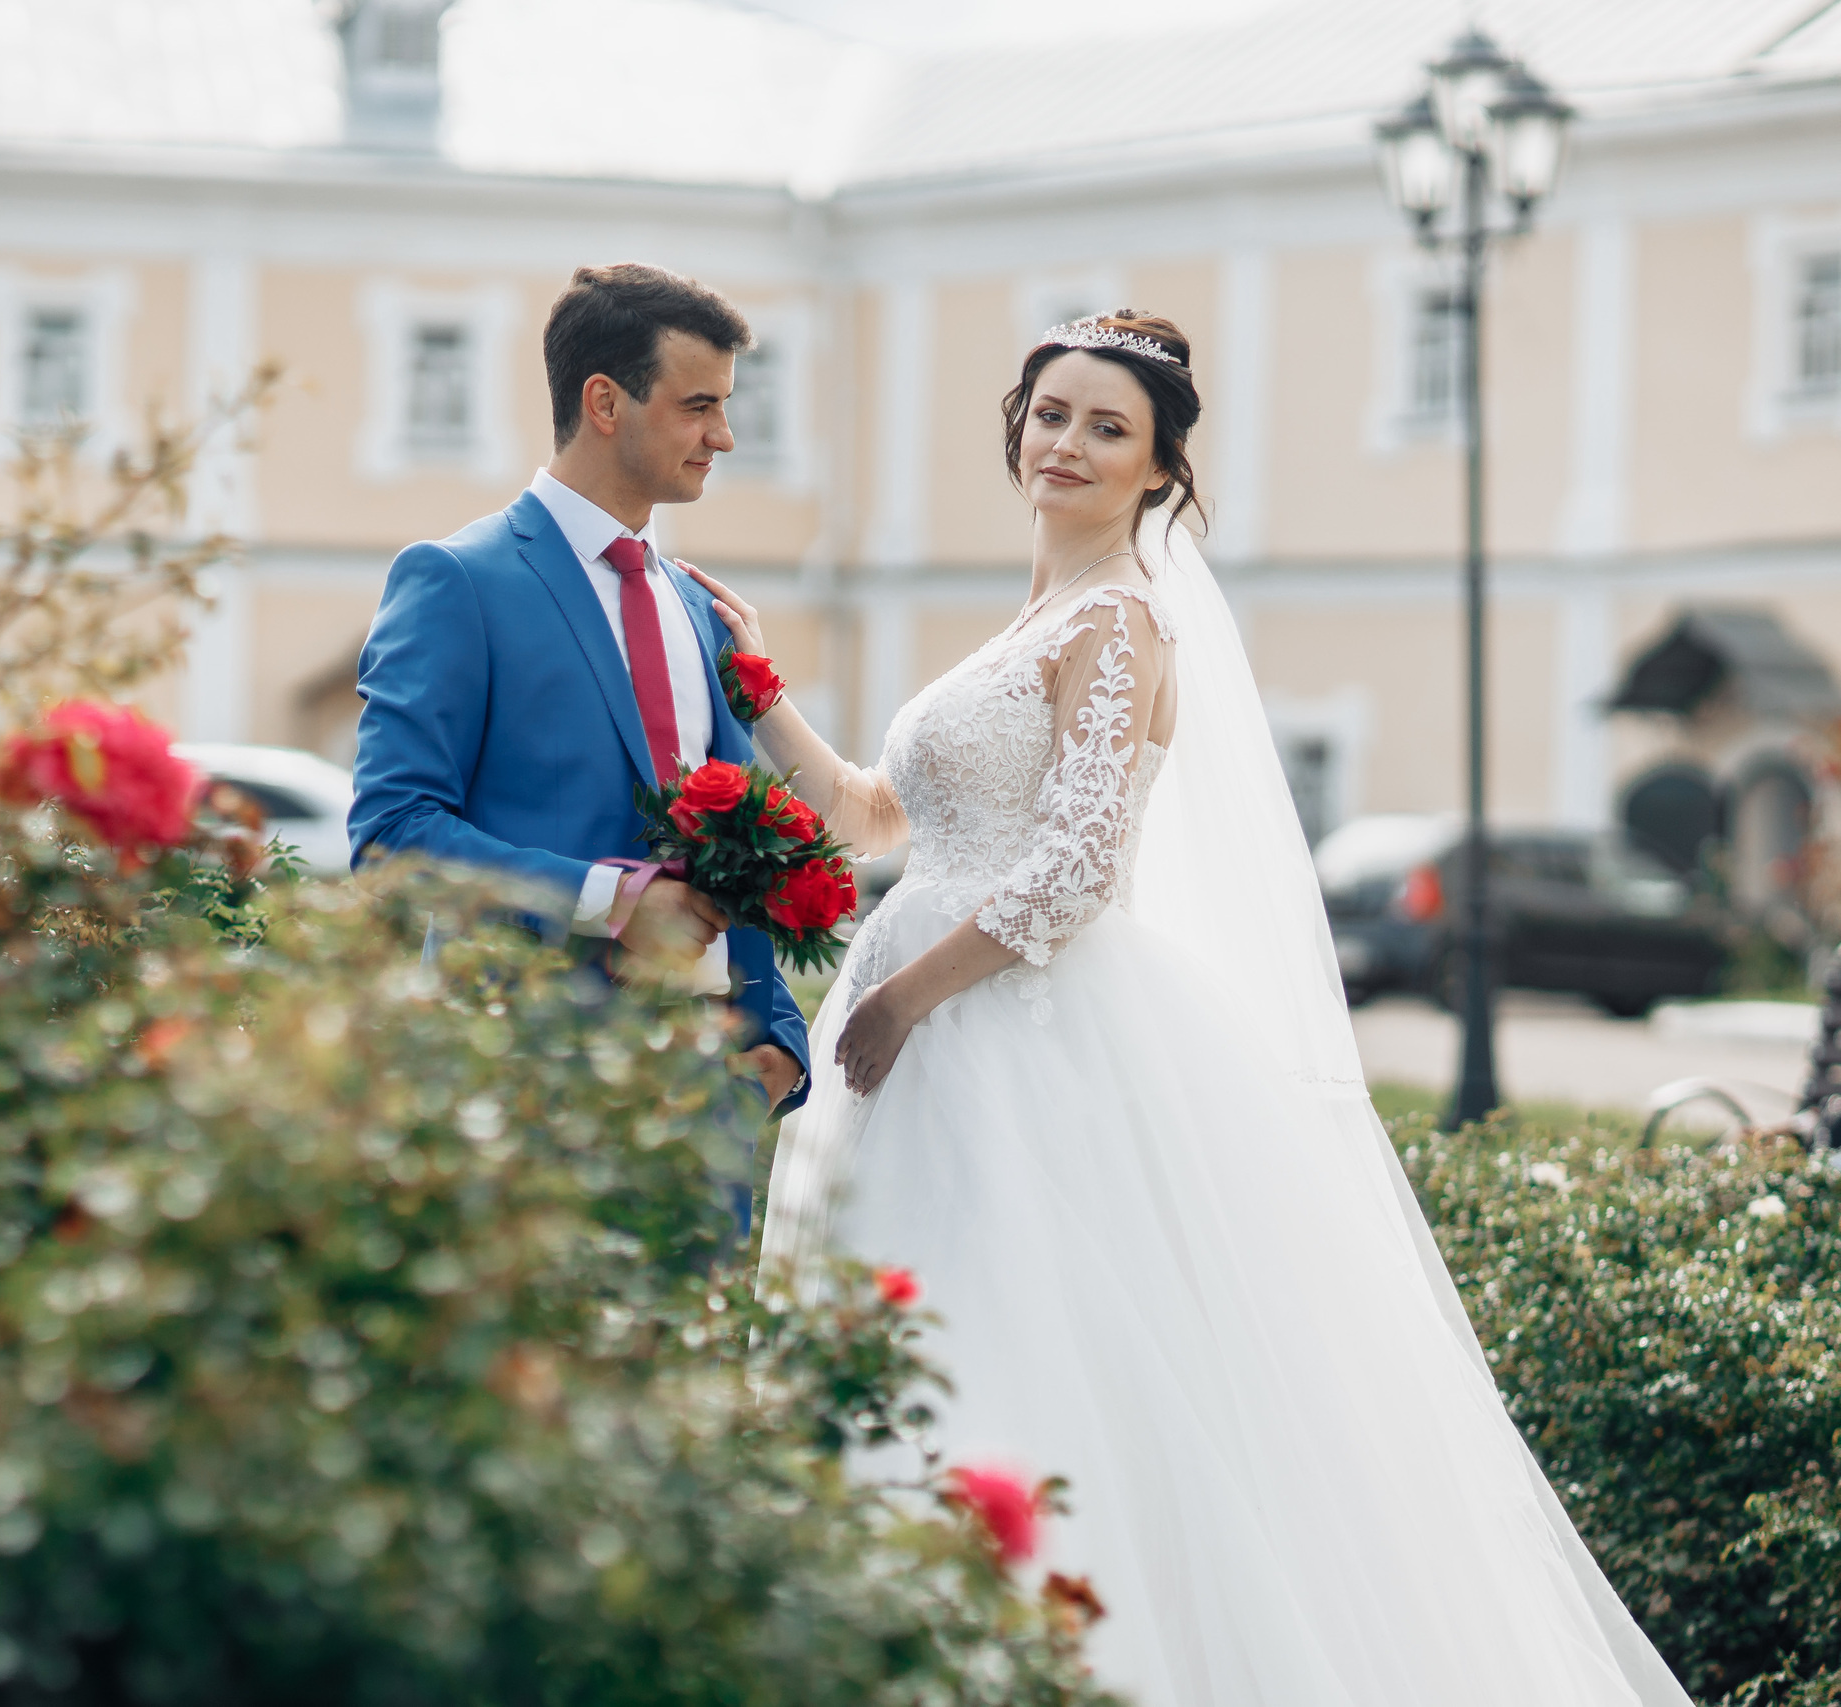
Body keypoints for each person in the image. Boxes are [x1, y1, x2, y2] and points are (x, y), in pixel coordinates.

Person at [722, 313, 1694, 1705]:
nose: (1067, 442)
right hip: (931, 1031)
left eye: (1106, 427)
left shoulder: (1119, 619)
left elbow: (1074, 870)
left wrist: (902, 1001)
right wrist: (756, 683)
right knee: (918, 1321)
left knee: (1024, 1340)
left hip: (1010, 1028)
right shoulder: (1034, 618)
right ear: (1017, 426)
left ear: (1160, 469)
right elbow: (878, 813)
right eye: (1051, 413)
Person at [349, 263, 813, 1230]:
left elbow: (743, 839)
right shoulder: (456, 581)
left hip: (704, 1117)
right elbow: (393, 838)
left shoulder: (703, 608)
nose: (723, 436)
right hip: (518, 1102)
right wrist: (615, 902)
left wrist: (773, 1044)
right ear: (605, 401)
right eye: (698, 406)